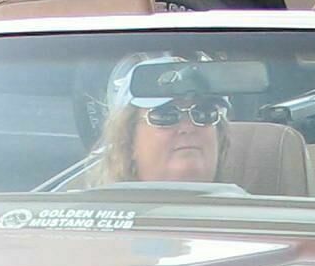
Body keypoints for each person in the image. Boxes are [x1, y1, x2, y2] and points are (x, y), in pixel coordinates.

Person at [87, 56, 230, 186]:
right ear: (128, 141)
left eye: (204, 113)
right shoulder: (102, 211)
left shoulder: (246, 211)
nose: (188, 127)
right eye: (165, 115)